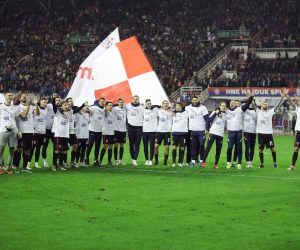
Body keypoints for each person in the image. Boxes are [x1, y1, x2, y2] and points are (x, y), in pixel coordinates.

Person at [256, 93, 285, 169]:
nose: (265, 105)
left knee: (273, 148)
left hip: (268, 134)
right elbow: (252, 104)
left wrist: (281, 98)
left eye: (266, 104)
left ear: (267, 106)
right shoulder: (258, 112)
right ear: (261, 106)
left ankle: (275, 163)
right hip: (261, 134)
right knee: (260, 149)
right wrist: (250, 97)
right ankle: (262, 164)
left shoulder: (270, 112)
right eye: (264, 104)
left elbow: (276, 106)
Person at [225, 93, 254, 169]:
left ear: (236, 104)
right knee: (230, 148)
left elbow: (247, 105)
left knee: (239, 148)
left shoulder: (239, 110)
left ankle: (239, 163)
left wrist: (251, 97)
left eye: (234, 103)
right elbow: (221, 106)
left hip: (238, 132)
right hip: (230, 132)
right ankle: (228, 162)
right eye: (231, 103)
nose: (232, 104)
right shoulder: (227, 110)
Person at [13, 92, 39, 173]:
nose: (25, 98)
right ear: (20, 98)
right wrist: (28, 106)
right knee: (19, 149)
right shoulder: (18, 107)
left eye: (26, 96)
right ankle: (16, 166)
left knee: (27, 150)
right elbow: (24, 116)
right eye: (23, 96)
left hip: (30, 131)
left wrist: (36, 105)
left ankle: (24, 167)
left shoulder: (31, 107)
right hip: (21, 131)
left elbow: (37, 113)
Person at [185, 96, 209, 167]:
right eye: (193, 100)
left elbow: (207, 119)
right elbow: (180, 111)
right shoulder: (188, 108)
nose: (195, 101)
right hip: (192, 130)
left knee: (201, 145)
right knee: (193, 146)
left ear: (198, 100)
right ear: (192, 101)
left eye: (196, 100)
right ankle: (193, 161)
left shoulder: (203, 108)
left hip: (201, 130)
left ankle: (202, 161)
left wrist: (207, 129)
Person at [0, 91, 20, 174]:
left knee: (12, 150)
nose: (10, 96)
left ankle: (8, 168)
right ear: (5, 96)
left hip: (13, 132)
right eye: (9, 95)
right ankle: (0, 167)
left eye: (11, 95)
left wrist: (18, 130)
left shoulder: (14, 108)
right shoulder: (1, 107)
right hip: (3, 131)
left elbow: (17, 120)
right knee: (1, 150)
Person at [202, 102, 227, 169]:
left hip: (220, 134)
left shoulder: (226, 114)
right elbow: (209, 120)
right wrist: (216, 113)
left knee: (218, 150)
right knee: (208, 148)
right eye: (222, 106)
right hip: (213, 133)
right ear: (219, 106)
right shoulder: (214, 112)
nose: (223, 107)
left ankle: (216, 164)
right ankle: (203, 162)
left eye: (225, 106)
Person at [66, 97, 85, 168]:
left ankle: (72, 162)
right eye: (69, 101)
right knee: (63, 149)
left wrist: (83, 106)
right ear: (66, 103)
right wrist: (82, 105)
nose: (71, 102)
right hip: (64, 132)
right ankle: (62, 162)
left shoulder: (74, 109)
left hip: (71, 131)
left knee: (75, 146)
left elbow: (79, 109)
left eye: (71, 101)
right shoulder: (64, 110)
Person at [42, 95, 60, 168]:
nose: (58, 101)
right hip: (46, 130)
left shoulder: (59, 109)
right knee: (45, 146)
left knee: (56, 146)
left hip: (54, 130)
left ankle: (57, 161)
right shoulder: (49, 106)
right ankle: (44, 161)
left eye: (59, 100)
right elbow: (43, 104)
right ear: (54, 101)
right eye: (57, 100)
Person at [85, 98, 105, 166]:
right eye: (101, 101)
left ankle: (95, 160)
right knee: (90, 145)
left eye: (103, 101)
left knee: (97, 146)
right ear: (98, 102)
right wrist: (87, 108)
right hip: (92, 130)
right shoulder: (94, 107)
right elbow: (87, 111)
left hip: (100, 131)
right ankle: (86, 159)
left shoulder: (104, 109)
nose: (102, 102)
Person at [51, 100, 70, 171]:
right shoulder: (58, 112)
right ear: (61, 106)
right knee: (57, 151)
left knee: (64, 151)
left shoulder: (69, 112)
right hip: (58, 134)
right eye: (65, 105)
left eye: (67, 105)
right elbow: (55, 108)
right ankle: (54, 165)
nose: (66, 106)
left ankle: (61, 165)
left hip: (66, 135)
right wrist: (53, 99)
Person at [126, 95, 144, 166]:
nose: (135, 100)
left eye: (137, 99)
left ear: (138, 100)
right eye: (134, 99)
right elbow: (119, 105)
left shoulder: (142, 107)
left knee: (137, 144)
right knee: (131, 144)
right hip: (130, 127)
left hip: (139, 127)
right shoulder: (128, 106)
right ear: (132, 99)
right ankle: (132, 158)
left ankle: (135, 159)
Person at [154, 100, 173, 166]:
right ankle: (156, 161)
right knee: (156, 146)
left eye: (167, 103)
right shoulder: (159, 111)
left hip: (167, 131)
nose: (166, 104)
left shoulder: (171, 112)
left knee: (167, 147)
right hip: (159, 131)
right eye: (164, 103)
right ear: (162, 104)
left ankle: (165, 162)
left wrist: (172, 111)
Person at [31, 97, 48, 168]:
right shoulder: (35, 108)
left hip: (42, 133)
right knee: (32, 148)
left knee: (38, 148)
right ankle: (28, 163)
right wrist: (36, 105)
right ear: (40, 102)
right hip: (35, 132)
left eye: (46, 102)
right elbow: (37, 113)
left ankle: (36, 163)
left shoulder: (46, 110)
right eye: (44, 102)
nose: (45, 103)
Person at [285, 93, 300, 170]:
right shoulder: (298, 109)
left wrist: (297, 99)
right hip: (299, 132)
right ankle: (292, 166)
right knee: (296, 149)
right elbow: (292, 103)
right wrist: (288, 97)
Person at [171, 102, 188, 167]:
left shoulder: (186, 113)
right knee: (174, 147)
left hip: (183, 133)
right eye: (176, 106)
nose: (177, 107)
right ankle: (173, 162)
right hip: (175, 133)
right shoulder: (173, 113)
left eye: (178, 106)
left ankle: (180, 162)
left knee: (182, 148)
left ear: (181, 107)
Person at [142, 99, 158, 166]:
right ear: (146, 104)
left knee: (152, 146)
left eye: (150, 103)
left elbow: (162, 107)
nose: (149, 104)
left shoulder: (155, 110)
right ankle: (146, 160)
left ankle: (150, 160)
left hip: (152, 131)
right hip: (145, 131)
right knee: (145, 147)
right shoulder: (143, 110)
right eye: (147, 103)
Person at [113, 98, 127, 165]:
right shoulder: (115, 109)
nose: (121, 103)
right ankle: (116, 160)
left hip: (123, 130)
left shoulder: (125, 109)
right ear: (117, 103)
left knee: (122, 145)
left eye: (122, 102)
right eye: (119, 102)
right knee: (116, 145)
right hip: (116, 130)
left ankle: (120, 160)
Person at [243, 100, 257, 168]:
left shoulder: (256, 111)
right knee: (247, 147)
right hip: (246, 131)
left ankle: (250, 161)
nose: (251, 104)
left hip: (254, 132)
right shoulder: (244, 110)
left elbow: (256, 117)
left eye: (252, 103)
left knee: (252, 148)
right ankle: (247, 162)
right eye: (250, 103)